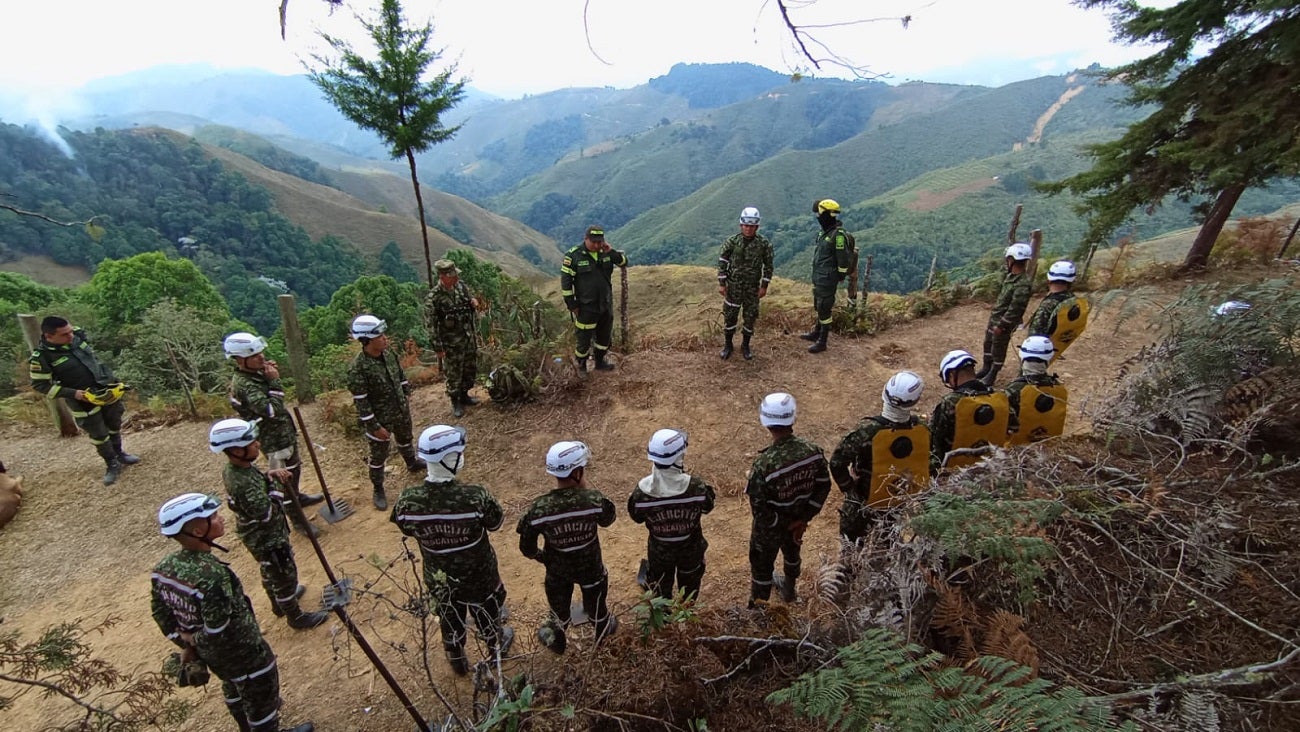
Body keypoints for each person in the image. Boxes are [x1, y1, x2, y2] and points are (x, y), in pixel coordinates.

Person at [150, 492, 315, 732]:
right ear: (198, 531)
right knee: (261, 694)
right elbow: (217, 628)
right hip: (242, 651)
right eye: (213, 517)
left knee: (232, 685)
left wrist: (187, 644)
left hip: (213, 656)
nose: (220, 519)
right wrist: (194, 640)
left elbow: (160, 614)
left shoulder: (163, 569)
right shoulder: (212, 576)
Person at [391, 425, 514, 675]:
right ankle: (496, 649)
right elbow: (495, 522)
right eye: (459, 453)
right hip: (479, 576)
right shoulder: (475, 497)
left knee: (449, 615)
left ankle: (456, 658)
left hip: (439, 577)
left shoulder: (407, 500)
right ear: (449, 459)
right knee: (487, 612)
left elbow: (405, 527)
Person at [208, 418, 329, 630]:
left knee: (270, 571)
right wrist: (276, 485)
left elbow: (258, 487)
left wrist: (268, 475)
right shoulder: (242, 481)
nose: (258, 444)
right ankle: (294, 615)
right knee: (283, 576)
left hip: (261, 536)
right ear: (236, 450)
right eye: (251, 443)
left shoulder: (240, 469)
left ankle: (279, 604)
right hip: (267, 538)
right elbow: (265, 513)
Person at [517, 440, 618, 654]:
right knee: (598, 609)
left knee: (558, 613)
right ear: (578, 472)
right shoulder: (594, 500)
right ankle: (602, 640)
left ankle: (558, 644)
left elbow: (527, 547)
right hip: (592, 569)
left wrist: (542, 557)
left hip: (557, 572)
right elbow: (608, 520)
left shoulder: (539, 508)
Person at [224, 331, 325, 539]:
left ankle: (297, 497)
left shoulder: (255, 374)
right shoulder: (245, 385)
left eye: (260, 352)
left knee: (294, 470)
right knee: (284, 479)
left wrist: (267, 375)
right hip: (272, 439)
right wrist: (274, 382)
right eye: (254, 355)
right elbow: (271, 410)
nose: (261, 357)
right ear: (240, 360)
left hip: (282, 434)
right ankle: (297, 519)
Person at [28, 316, 139, 485]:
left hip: (106, 390)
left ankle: (120, 453)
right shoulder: (42, 357)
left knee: (114, 423)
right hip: (82, 400)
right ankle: (111, 463)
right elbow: (40, 385)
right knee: (98, 433)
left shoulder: (77, 335)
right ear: (49, 336)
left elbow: (93, 358)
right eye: (64, 334)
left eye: (70, 331)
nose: (71, 336)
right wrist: (73, 393)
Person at [745, 393, 831, 606]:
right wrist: (802, 519)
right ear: (793, 418)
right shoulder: (813, 452)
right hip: (798, 520)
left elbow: (760, 510)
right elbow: (823, 485)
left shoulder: (763, 465)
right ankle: (789, 591)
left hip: (770, 529)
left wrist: (782, 524)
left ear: (765, 423)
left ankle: (759, 609)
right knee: (792, 553)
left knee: (762, 566)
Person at [829, 372, 932, 545]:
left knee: (851, 546)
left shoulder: (867, 430)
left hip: (862, 502)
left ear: (885, 393)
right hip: (896, 498)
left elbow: (836, 463)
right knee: (888, 542)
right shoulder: (922, 429)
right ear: (915, 401)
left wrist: (849, 488)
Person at [627, 429, 716, 600]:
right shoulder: (696, 487)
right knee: (689, 591)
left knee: (660, 590)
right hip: (691, 551)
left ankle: (664, 614)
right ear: (678, 458)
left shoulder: (642, 492)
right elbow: (708, 507)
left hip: (659, 553)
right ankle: (686, 613)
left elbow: (637, 517)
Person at [346, 314, 421, 511]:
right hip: (380, 419)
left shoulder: (389, 354)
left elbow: (400, 375)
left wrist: (405, 392)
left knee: (406, 439)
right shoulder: (358, 368)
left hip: (400, 411)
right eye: (379, 336)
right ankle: (378, 488)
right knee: (378, 456)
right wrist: (375, 427)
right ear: (367, 340)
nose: (384, 338)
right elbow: (361, 402)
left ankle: (411, 463)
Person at [560, 225, 628, 372]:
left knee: (604, 336)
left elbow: (623, 262)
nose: (597, 245)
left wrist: (611, 251)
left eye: (599, 242)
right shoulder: (574, 256)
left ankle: (600, 361)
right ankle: (581, 366)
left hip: (605, 304)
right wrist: (572, 304)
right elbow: (566, 283)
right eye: (593, 242)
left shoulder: (606, 253)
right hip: (586, 306)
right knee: (584, 338)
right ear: (586, 239)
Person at [932, 350, 1010, 471]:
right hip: (992, 466)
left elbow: (935, 443)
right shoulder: (1000, 399)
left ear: (952, 375)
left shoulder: (950, 403)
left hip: (955, 471)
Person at [424, 259, 481, 418]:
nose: (456, 277)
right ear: (442, 277)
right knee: (454, 372)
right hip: (451, 342)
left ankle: (465, 395)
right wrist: (438, 347)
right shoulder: (434, 297)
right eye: (452, 275)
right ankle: (455, 401)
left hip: (467, 336)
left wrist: (473, 302)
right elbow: (430, 325)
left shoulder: (461, 287)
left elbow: (469, 300)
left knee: (469, 368)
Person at [717, 206, 774, 360]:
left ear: (757, 227)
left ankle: (746, 345)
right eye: (746, 225)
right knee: (730, 316)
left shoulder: (764, 244)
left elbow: (768, 266)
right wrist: (722, 283)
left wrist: (764, 286)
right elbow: (723, 261)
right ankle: (728, 345)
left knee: (750, 317)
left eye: (752, 226)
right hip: (733, 288)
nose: (748, 229)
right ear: (741, 225)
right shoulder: (732, 242)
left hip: (752, 289)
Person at [976, 243, 1034, 385]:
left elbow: (1016, 309)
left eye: (1008, 259)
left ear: (1012, 259)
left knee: (999, 346)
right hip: (996, 318)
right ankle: (986, 368)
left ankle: (992, 374)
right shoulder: (1011, 277)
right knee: (988, 343)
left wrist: (1002, 325)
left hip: (1003, 322)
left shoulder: (1022, 284)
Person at [801, 199, 852, 354]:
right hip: (819, 277)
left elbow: (843, 259)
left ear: (828, 214)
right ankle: (816, 333)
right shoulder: (824, 233)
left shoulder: (838, 236)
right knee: (819, 305)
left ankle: (822, 341)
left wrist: (840, 275)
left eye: (820, 214)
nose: (818, 217)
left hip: (828, 278)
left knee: (825, 308)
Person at [1004, 336, 1068, 445]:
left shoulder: (1014, 389)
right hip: (1049, 445)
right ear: (1048, 359)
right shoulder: (1059, 388)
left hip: (1016, 448)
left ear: (1022, 357)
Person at [1027, 260, 1089, 359]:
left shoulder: (1048, 305)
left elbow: (1035, 332)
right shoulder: (1073, 300)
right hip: (1055, 347)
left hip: (1038, 351)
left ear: (1049, 279)